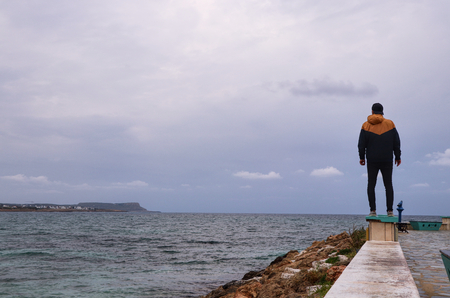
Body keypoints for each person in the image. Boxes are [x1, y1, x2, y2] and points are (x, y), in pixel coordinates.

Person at [358, 103, 401, 217]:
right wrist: (398, 156)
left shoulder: (366, 125)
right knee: (388, 184)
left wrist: (362, 157)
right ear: (382, 112)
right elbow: (396, 142)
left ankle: (373, 210)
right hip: (387, 159)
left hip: (372, 159)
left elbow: (361, 144)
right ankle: (390, 211)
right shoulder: (390, 124)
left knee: (371, 184)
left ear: (372, 112)